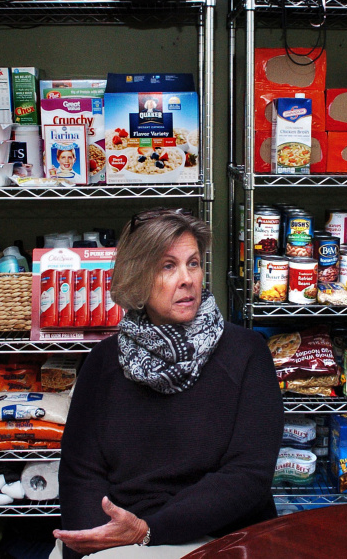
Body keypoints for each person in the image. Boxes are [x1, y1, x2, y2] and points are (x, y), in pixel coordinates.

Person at [52, 208, 283, 559]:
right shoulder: (103, 361)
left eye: (193, 263)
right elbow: (80, 472)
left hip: (221, 535)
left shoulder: (246, 354)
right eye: (168, 266)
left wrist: (149, 532)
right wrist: (96, 540)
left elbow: (246, 476)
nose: (187, 279)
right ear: (137, 277)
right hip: (119, 536)